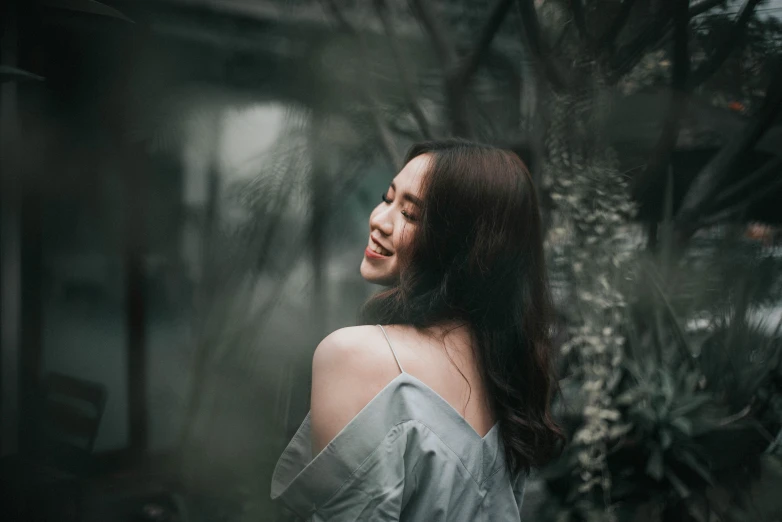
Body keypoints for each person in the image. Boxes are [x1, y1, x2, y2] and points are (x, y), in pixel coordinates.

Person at [271, 139, 564, 521]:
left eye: (409, 214)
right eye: (387, 198)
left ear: (463, 245)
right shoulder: (506, 378)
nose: (379, 219)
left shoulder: (353, 354)